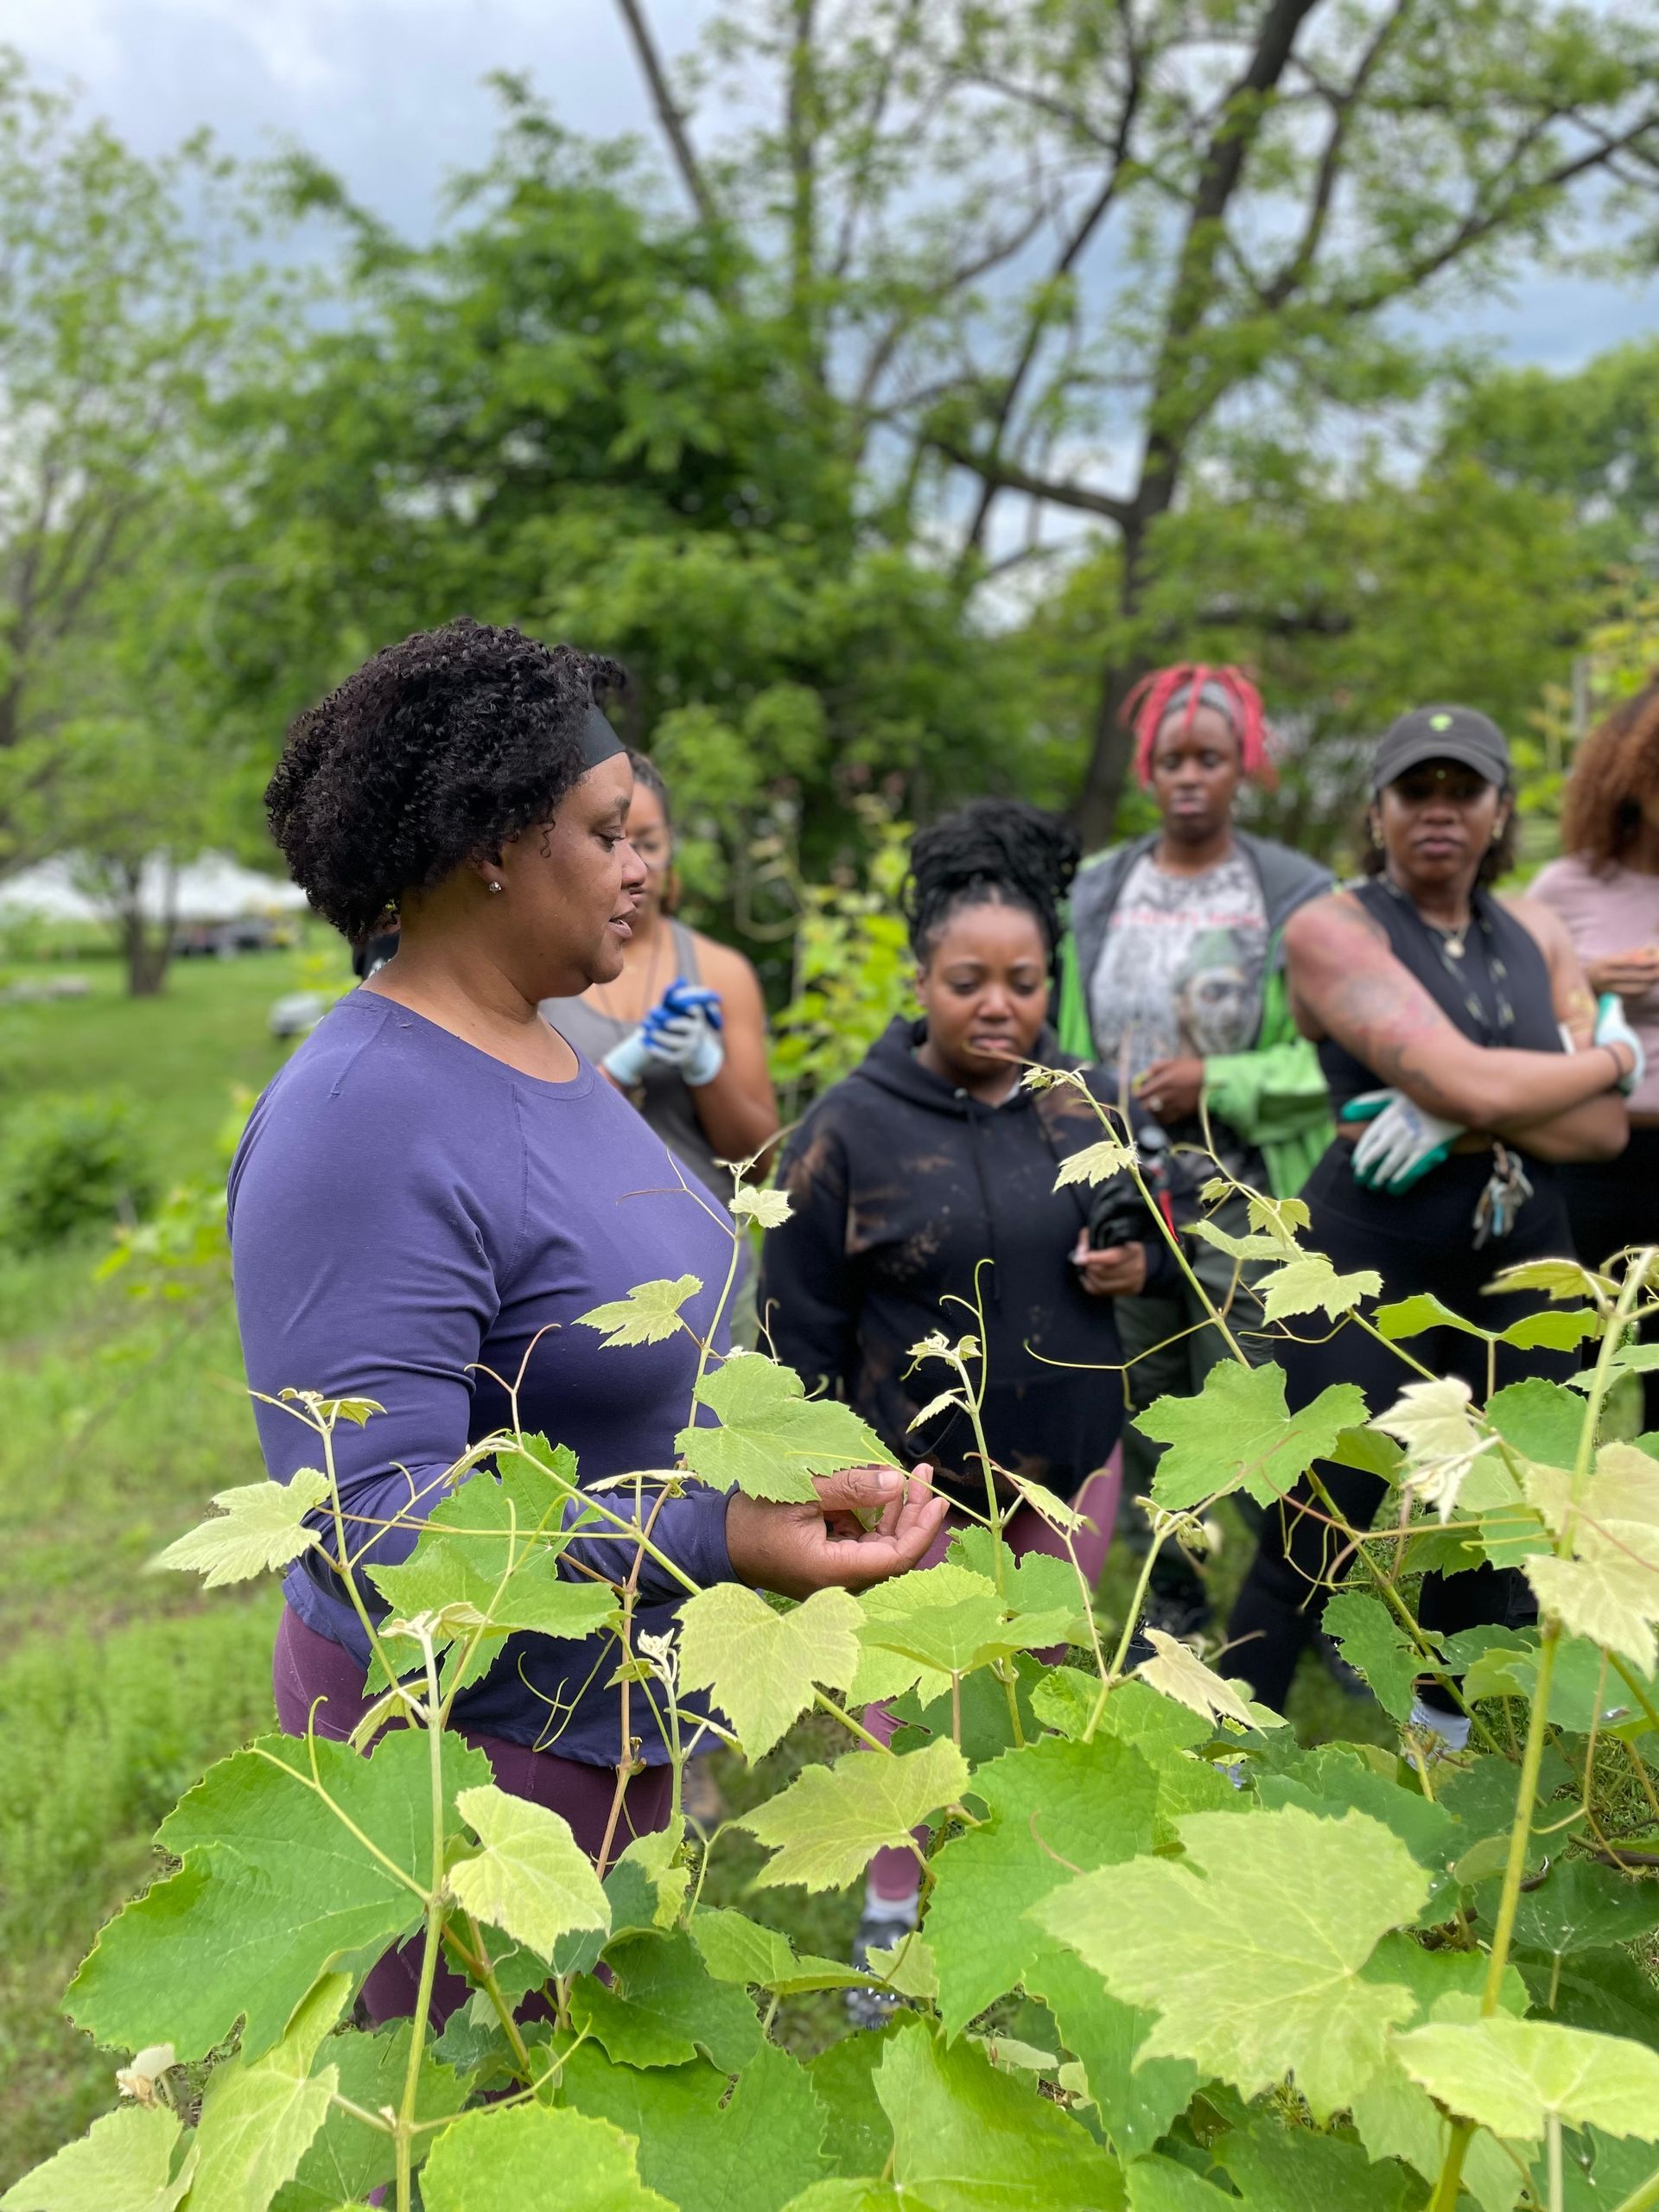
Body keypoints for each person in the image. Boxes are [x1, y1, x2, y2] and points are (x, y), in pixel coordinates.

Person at [231, 619, 947, 2031]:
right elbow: (382, 1523)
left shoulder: (546, 1046)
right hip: (465, 1764)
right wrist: (718, 1538)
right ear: (495, 843)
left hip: (608, 1719)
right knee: (466, 2142)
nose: (644, 867)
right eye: (611, 830)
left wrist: (769, 1471)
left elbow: (604, 1359)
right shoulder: (359, 1115)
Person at [760, 798, 1123, 2014]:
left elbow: (1144, 1230)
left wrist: (1134, 1259)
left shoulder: (1080, 1105)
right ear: (921, 980)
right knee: (907, 1694)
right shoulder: (850, 1131)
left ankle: (1030, 1898)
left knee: (1048, 1676)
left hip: (1068, 1465)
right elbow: (799, 1312)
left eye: (1023, 981)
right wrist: (816, 1462)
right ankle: (891, 1901)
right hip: (913, 1480)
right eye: (968, 979)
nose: (998, 1004)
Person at [1223, 703, 1639, 1726]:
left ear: (1501, 812)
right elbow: (1493, 1087)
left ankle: (1445, 1742)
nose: (1440, 811)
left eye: (1465, 791)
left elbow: (1604, 1136)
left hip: (1520, 1251)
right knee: (1316, 1518)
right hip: (1370, 1251)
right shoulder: (1332, 927)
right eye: (1418, 790)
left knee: (1496, 1513)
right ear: (1379, 809)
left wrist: (1458, 1117)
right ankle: (1227, 1741)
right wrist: (1612, 1058)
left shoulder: (1537, 930)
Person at [1056, 663, 1332, 1637]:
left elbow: (1329, 1055)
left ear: (1242, 769)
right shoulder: (1095, 891)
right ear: (1146, 769)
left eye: (1209, 759)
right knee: (1146, 1395)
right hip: (1122, 1182)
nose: (1187, 777)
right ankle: (1172, 1589)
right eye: (1169, 759)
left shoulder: (1295, 895)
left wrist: (1218, 1082)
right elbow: (1058, 1031)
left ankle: (1312, 1602)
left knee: (1256, 1394)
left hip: (1243, 1192)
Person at [540, 751, 778, 1204]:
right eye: (613, 841)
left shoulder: (722, 971)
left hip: (712, 1242)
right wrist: (623, 1067)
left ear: (672, 846)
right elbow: (536, 1139)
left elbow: (758, 1163)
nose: (637, 867)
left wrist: (705, 1066)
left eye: (650, 844)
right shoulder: (547, 965)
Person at [1531, 674, 1659, 1431]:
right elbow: (1505, 1017)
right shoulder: (1565, 887)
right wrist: (1587, 978)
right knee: (1569, 1377)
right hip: (1589, 1164)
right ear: (1628, 777)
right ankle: (1553, 1536)